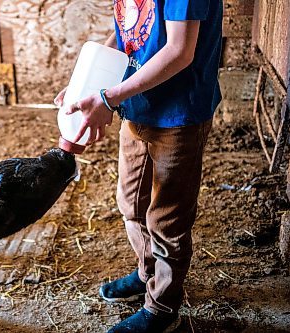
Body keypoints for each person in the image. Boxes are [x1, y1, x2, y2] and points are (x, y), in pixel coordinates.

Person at [55, 1, 222, 332]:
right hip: (136, 104)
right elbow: (127, 35)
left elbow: (179, 51)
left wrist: (108, 98)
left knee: (167, 218)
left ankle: (162, 306)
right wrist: (87, 85)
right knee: (131, 202)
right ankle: (149, 272)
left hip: (178, 114)